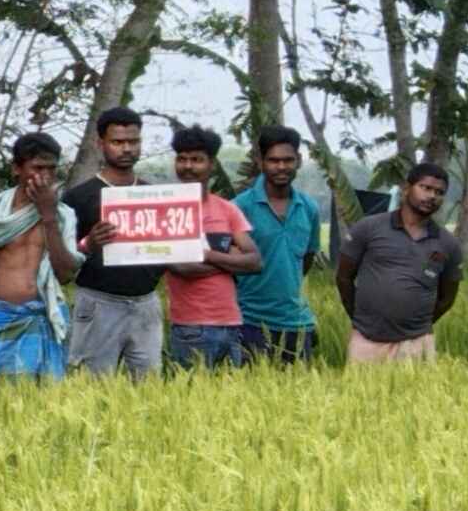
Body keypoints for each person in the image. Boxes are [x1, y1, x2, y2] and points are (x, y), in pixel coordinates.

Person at [57, 107, 169, 379]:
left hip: (146, 303)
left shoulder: (154, 194)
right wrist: (89, 243)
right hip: (98, 302)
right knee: (91, 386)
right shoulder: (78, 198)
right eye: (118, 142)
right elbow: (61, 266)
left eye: (133, 141)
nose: (127, 149)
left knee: (149, 388)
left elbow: (168, 248)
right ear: (101, 144)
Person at [0, 132, 82, 378]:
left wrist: (48, 216)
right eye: (37, 168)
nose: (45, 176)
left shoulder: (63, 215)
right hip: (7, 318)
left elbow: (65, 275)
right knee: (7, 397)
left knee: (54, 399)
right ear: (16, 169)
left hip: (49, 317)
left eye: (51, 168)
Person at [336, 160, 466, 363]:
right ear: (407, 188)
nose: (432, 196)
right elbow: (344, 278)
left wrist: (418, 325)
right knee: (359, 385)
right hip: (366, 339)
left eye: (439, 192)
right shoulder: (368, 228)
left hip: (417, 342)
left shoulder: (448, 243)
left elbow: (447, 298)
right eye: (425, 188)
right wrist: (360, 319)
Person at [156, 125, 264, 369]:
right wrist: (228, 256)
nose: (188, 166)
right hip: (190, 327)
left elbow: (255, 262)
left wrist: (205, 254)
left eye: (197, 159)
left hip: (232, 323)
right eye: (182, 159)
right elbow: (182, 267)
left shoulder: (227, 210)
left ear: (212, 164)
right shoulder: (165, 211)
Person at [233, 129, 329, 362]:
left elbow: (305, 260)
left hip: (297, 324)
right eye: (273, 160)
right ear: (261, 162)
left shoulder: (308, 208)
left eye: (288, 160)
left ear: (299, 161)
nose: (281, 167)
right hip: (249, 322)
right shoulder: (239, 207)